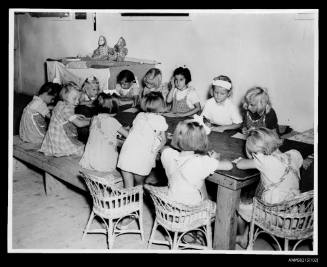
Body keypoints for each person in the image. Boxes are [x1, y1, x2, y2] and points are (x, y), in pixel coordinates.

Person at [161, 119, 233, 244]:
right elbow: (229, 166)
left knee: (197, 187)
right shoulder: (201, 162)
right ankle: (198, 234)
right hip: (190, 212)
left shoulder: (167, 154)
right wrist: (215, 159)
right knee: (220, 206)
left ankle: (184, 233)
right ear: (201, 140)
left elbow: (165, 148)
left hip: (170, 207)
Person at [235, 127, 303, 248]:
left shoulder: (266, 162)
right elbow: (296, 163)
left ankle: (243, 239)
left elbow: (240, 164)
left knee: (239, 205)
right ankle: (246, 237)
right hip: (296, 213)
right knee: (258, 198)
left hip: (277, 216)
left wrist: (242, 160)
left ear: (258, 153)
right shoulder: (294, 154)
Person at [117, 91, 168, 188]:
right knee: (139, 186)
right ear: (161, 105)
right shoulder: (161, 119)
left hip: (126, 155)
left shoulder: (139, 115)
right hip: (142, 158)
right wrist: (155, 151)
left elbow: (133, 131)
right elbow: (164, 140)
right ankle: (138, 199)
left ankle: (127, 201)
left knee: (128, 188)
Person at [79, 93, 129, 172]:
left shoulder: (94, 118)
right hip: (105, 165)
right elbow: (128, 135)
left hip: (88, 161)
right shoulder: (113, 121)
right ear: (114, 109)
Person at [39, 82, 91, 157]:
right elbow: (79, 124)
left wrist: (75, 116)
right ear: (65, 96)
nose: (77, 102)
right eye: (74, 98)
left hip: (51, 140)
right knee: (82, 149)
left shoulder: (60, 103)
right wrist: (92, 120)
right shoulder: (67, 108)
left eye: (78, 99)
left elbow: (62, 116)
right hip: (60, 141)